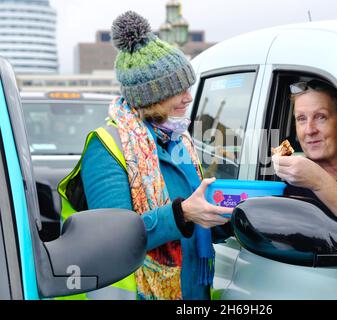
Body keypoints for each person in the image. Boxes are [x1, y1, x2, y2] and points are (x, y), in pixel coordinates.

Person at [61, 11, 232, 300]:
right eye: (178, 90)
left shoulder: (181, 141)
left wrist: (226, 217)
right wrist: (182, 213)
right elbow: (113, 238)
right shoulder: (106, 146)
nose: (188, 97)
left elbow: (193, 222)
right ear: (149, 96)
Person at [273, 79, 337, 220]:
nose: (309, 130)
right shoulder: (288, 179)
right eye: (301, 119)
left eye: (320, 117)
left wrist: (317, 181)